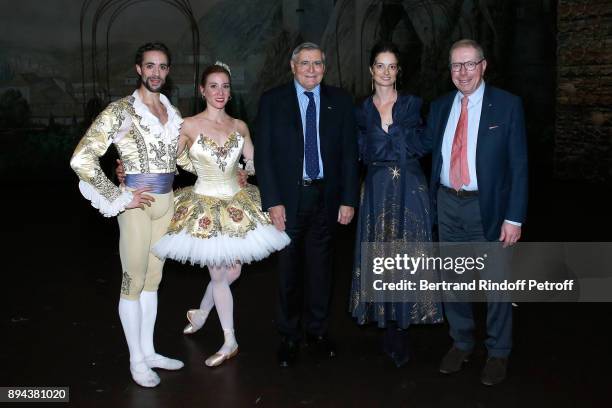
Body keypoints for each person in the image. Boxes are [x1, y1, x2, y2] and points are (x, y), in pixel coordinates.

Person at [151, 62, 291, 367]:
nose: (220, 92)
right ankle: (229, 340)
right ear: (202, 90)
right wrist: (132, 176)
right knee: (218, 275)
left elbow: (254, 162)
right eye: (213, 86)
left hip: (237, 205)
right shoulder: (188, 125)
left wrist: (245, 171)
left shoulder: (239, 126)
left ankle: (201, 314)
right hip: (203, 206)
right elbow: (166, 161)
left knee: (233, 273)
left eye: (225, 86)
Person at [70, 42, 188, 388]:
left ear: (168, 71)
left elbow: (183, 160)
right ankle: (136, 361)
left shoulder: (172, 112)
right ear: (138, 69)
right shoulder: (119, 111)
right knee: (133, 281)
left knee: (153, 281)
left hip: (167, 203)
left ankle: (149, 352)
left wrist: (228, 170)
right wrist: (118, 195)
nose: (156, 73)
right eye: (149, 66)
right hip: (137, 206)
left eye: (162, 67)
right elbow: (81, 159)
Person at [424, 39, 528, 385]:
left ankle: (498, 351)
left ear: (483, 66)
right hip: (447, 203)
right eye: (456, 65)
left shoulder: (507, 105)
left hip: (489, 207)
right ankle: (462, 342)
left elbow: (519, 166)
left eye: (470, 64)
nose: (463, 72)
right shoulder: (439, 107)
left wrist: (514, 217)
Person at [254, 42, 359, 367]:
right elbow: (264, 156)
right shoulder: (273, 101)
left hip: (327, 200)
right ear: (292, 66)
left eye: (317, 64)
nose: (311, 69)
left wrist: (348, 199)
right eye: (305, 63)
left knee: (321, 272)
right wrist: (272, 201)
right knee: (288, 272)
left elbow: (348, 155)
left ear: (324, 68)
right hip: (288, 201)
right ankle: (289, 336)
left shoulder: (340, 102)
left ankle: (317, 332)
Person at [349, 42, 443, 367]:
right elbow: (358, 149)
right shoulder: (361, 110)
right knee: (380, 254)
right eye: (380, 65)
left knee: (405, 256)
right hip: (376, 191)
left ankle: (402, 331)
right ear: (371, 70)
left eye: (392, 66)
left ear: (398, 70)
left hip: (409, 188)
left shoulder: (413, 104)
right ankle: (386, 324)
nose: (386, 72)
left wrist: (395, 144)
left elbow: (426, 141)